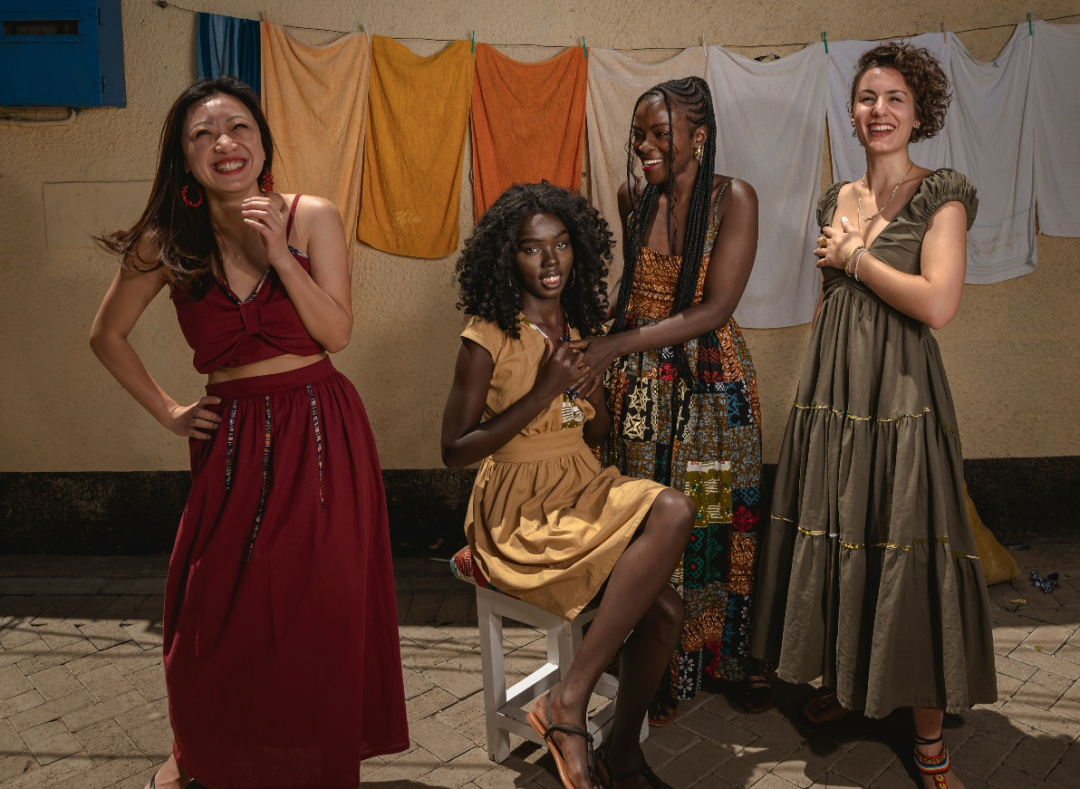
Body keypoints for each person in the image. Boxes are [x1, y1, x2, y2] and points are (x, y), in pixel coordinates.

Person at [90, 76, 408, 789]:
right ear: (184, 157)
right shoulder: (166, 242)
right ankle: (202, 753)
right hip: (231, 440)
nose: (224, 143)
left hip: (321, 428)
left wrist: (281, 256)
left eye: (238, 127)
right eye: (202, 135)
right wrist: (170, 411)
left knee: (318, 607)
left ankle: (308, 762)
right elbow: (106, 335)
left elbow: (337, 333)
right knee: (214, 612)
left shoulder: (311, 216)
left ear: (262, 142)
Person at [750, 43, 997, 789]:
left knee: (906, 544)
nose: (879, 110)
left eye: (895, 98)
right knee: (840, 532)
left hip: (901, 398)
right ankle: (852, 680)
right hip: (835, 395)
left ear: (919, 114)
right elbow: (832, 304)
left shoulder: (942, 195)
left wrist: (858, 257)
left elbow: (937, 303)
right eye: (867, 98)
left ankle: (928, 741)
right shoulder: (836, 198)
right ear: (852, 114)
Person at [441, 182, 695, 789]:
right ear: (508, 257)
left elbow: (595, 432)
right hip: (517, 506)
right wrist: (543, 393)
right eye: (532, 249)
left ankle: (620, 753)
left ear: (578, 247)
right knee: (673, 515)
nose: (550, 260)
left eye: (561, 244)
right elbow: (453, 451)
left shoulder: (580, 325)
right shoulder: (486, 336)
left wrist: (594, 395)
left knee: (668, 611)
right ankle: (568, 701)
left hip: (580, 484)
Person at [568, 76, 770, 723]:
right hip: (638, 393)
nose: (645, 147)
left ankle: (710, 658)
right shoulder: (634, 196)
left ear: (699, 136)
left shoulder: (733, 198)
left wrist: (616, 344)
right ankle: (650, 663)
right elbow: (632, 290)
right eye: (639, 136)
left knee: (709, 519)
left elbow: (714, 309)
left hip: (710, 396)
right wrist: (585, 322)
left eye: (660, 134)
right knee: (644, 522)